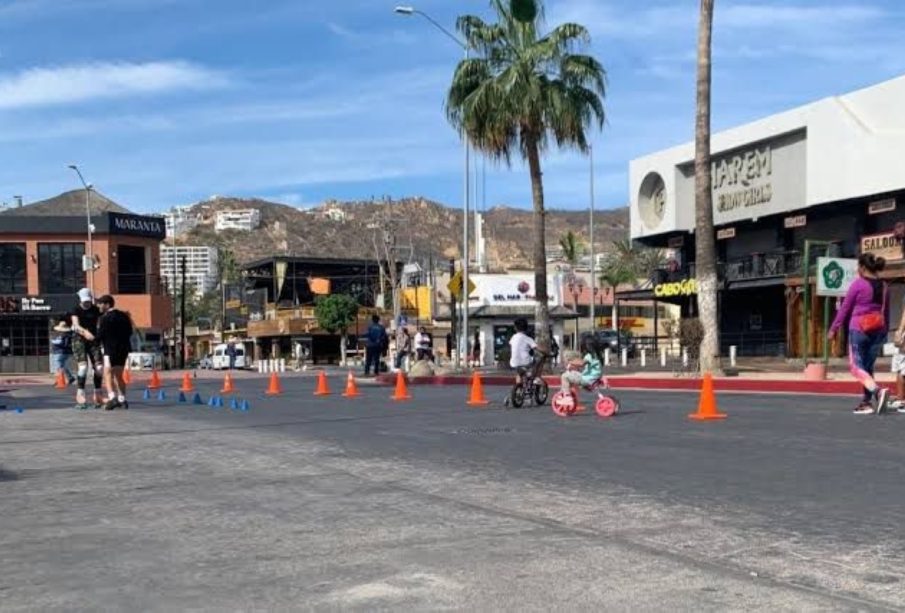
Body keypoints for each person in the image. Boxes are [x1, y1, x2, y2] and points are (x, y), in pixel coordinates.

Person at [828, 253, 890, 414]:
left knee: (856, 367)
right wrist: (884, 333)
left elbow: (844, 309)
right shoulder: (884, 286)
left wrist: (833, 329)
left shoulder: (858, 284)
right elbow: (887, 313)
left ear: (862, 268)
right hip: (878, 330)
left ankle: (877, 391)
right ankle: (866, 402)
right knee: (868, 367)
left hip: (859, 329)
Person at [95, 295, 134, 410]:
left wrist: (92, 339)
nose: (99, 306)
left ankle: (112, 398)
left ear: (107, 304)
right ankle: (122, 399)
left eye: (101, 303)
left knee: (107, 373)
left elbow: (100, 335)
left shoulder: (105, 318)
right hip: (123, 349)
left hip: (110, 349)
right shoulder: (124, 316)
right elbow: (130, 332)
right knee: (119, 375)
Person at [69, 288, 105, 410]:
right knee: (83, 367)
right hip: (79, 339)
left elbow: (101, 321)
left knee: (99, 368)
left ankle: (98, 394)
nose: (87, 303)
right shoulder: (76, 310)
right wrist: (85, 332)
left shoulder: (95, 309)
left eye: (88, 301)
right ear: (80, 300)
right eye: (85, 301)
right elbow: (76, 325)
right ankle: (80, 395)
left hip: (93, 340)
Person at [509, 318, 537, 385]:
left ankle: (518, 390)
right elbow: (536, 348)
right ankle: (532, 376)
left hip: (514, 362)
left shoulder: (513, 337)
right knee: (536, 361)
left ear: (515, 328)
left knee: (519, 374)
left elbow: (511, 344)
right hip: (525, 362)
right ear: (526, 328)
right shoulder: (527, 338)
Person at [50, 318, 76, 385]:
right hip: (66, 352)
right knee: (63, 365)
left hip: (60, 351)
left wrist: (53, 342)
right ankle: (70, 377)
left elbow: (61, 343)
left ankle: (59, 380)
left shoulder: (63, 335)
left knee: (58, 366)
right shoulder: (68, 335)